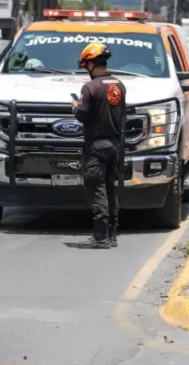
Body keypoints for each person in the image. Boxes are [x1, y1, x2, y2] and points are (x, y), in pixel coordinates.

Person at [71, 42, 127, 249]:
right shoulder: (119, 85)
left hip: (97, 145)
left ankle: (100, 236)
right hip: (115, 144)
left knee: (96, 189)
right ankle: (112, 235)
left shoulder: (90, 87)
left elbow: (82, 115)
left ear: (91, 64)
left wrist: (75, 107)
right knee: (111, 188)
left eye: (86, 65)